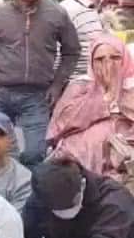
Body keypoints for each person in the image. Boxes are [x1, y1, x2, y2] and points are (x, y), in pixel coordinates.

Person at [0, 0, 80, 167]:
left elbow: (72, 51)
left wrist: (57, 85)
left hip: (37, 96)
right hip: (0, 95)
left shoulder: (56, 14)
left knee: (34, 153)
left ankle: (29, 187)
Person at [48, 35, 134, 186]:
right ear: (92, 62)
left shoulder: (131, 87)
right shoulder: (80, 86)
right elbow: (60, 125)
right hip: (81, 157)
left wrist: (120, 96)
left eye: (115, 58)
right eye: (100, 59)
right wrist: (105, 98)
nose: (108, 65)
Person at [59, 0, 107, 83]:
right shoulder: (67, 10)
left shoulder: (90, 8)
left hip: (92, 84)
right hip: (74, 85)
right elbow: (56, 53)